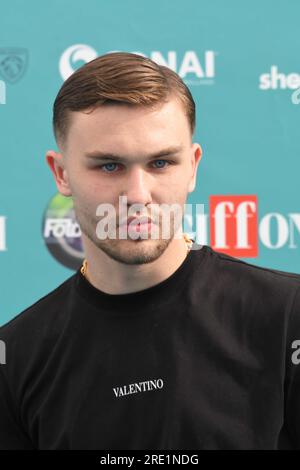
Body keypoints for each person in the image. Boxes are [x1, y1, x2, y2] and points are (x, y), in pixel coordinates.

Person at [0, 52, 300, 450]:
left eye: (160, 163)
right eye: (109, 166)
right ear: (61, 172)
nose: (138, 196)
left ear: (192, 167)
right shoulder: (15, 356)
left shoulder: (288, 316)